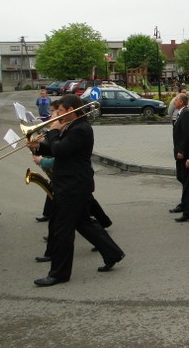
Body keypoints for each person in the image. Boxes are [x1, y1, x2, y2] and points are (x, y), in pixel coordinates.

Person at [30, 95, 125, 287]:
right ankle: (113, 253)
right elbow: (58, 149)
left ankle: (59, 274)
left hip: (72, 186)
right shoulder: (73, 126)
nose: (57, 115)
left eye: (60, 111)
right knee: (83, 223)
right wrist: (38, 146)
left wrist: (53, 131)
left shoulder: (81, 128)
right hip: (72, 184)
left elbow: (60, 150)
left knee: (62, 231)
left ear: (71, 110)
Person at [168, 94, 189, 214]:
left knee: (184, 177)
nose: (174, 101)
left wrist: (182, 151)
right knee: (181, 177)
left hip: (183, 152)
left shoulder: (186, 114)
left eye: (176, 100)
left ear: (182, 102)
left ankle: (185, 203)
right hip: (179, 150)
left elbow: (186, 134)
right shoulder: (180, 113)